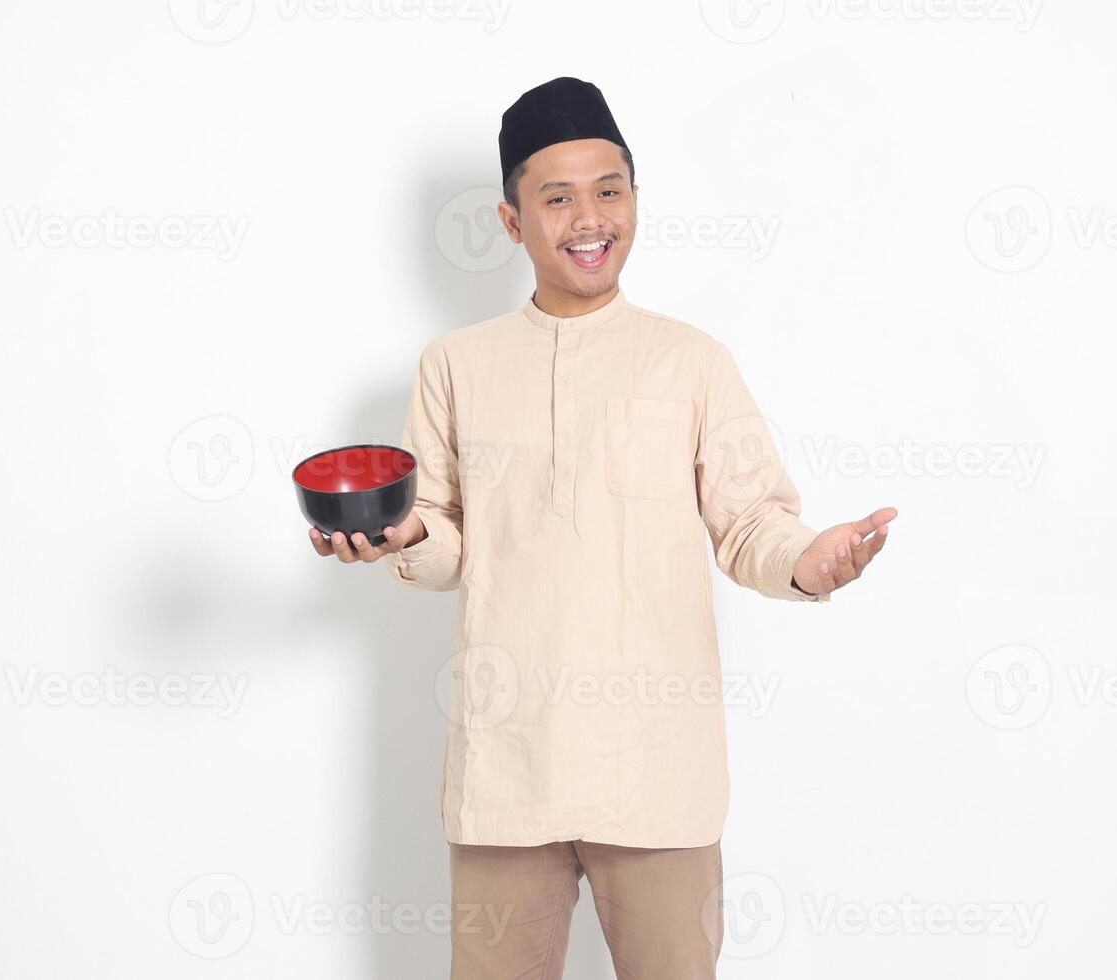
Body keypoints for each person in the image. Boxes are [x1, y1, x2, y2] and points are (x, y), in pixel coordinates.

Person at [308, 76, 897, 980]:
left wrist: (810, 563)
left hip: (657, 775)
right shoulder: (457, 365)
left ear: (633, 200)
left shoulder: (690, 360)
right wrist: (401, 541)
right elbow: (446, 539)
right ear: (511, 222)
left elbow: (751, 524)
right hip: (508, 771)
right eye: (557, 197)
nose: (589, 217)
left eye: (608, 190)